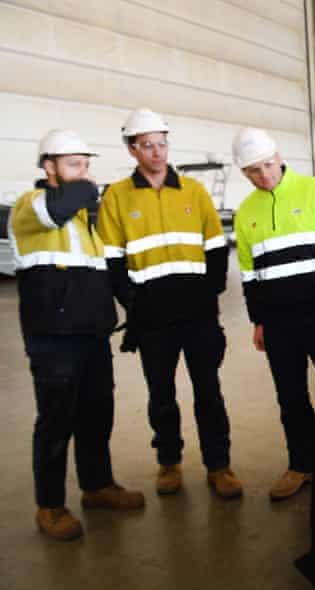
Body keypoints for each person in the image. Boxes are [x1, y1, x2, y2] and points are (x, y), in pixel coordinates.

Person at [96, 108, 242, 499]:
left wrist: (207, 294)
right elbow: (112, 259)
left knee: (208, 391)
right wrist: (134, 303)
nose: (157, 152)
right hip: (152, 318)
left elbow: (215, 248)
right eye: (148, 145)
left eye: (162, 143)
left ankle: (219, 465)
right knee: (161, 395)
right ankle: (168, 463)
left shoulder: (193, 192)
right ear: (132, 150)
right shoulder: (117, 197)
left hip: (197, 315)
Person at [9, 129, 144, 541]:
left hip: (90, 333)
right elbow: (61, 207)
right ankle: (49, 506)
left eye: (86, 165)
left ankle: (97, 485)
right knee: (55, 420)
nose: (84, 174)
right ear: (48, 166)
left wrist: (129, 311)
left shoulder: (87, 222)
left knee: (96, 412)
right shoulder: (30, 207)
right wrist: (85, 189)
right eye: (73, 164)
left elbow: (101, 272)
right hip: (53, 336)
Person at [232, 127, 315, 501]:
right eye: (254, 170)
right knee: (290, 397)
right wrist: (259, 320)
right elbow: (249, 274)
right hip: (277, 323)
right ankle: (302, 464)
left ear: (280, 156)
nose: (265, 175)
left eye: (269, 165)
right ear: (244, 174)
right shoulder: (246, 213)